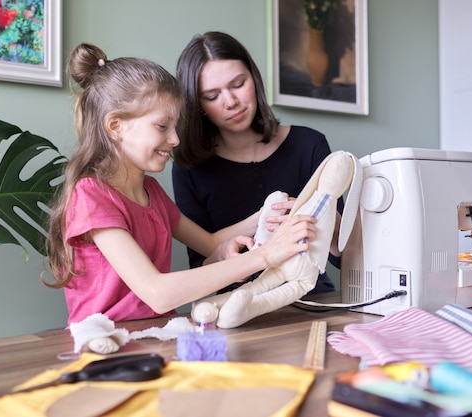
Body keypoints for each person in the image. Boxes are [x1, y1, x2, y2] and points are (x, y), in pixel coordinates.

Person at [43, 43, 317, 325]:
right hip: (105, 343)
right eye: (162, 127)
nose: (175, 139)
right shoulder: (92, 196)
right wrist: (265, 256)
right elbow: (157, 293)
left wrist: (267, 216)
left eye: (175, 127)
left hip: (156, 334)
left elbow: (210, 242)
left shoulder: (152, 192)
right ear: (115, 126)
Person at [172, 31, 342, 294]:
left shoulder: (310, 146)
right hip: (236, 310)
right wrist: (262, 218)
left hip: (312, 299)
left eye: (238, 84)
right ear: (198, 104)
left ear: (254, 78)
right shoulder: (189, 167)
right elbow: (201, 269)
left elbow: (344, 254)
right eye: (213, 96)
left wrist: (319, 215)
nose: (231, 102)